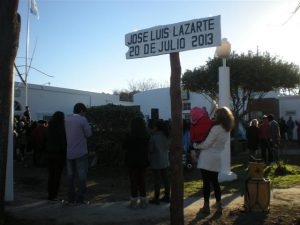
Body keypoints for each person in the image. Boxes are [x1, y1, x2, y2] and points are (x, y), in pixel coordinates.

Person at [193, 107, 235, 214]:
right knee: (215, 183)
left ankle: (206, 207)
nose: (214, 117)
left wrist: (195, 145)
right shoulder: (227, 130)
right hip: (217, 158)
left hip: (207, 158)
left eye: (216, 115)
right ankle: (219, 205)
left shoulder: (216, 128)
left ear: (219, 116)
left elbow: (207, 144)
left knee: (206, 184)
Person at [65, 103, 92, 204]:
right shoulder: (83, 120)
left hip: (69, 152)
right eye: (84, 112)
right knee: (82, 177)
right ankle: (80, 199)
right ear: (81, 111)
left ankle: (71, 198)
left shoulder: (66, 119)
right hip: (81, 152)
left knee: (70, 176)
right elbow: (88, 134)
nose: (84, 114)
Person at [123, 117, 150, 209]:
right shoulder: (146, 136)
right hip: (143, 161)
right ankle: (143, 201)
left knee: (133, 181)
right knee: (142, 181)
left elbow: (124, 146)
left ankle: (134, 202)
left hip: (132, 161)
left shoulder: (129, 136)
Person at [45, 111, 67, 202]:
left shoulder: (49, 127)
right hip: (59, 155)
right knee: (57, 176)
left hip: (49, 154)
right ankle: (54, 195)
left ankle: (50, 194)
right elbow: (63, 142)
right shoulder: (61, 128)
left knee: (51, 175)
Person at [148, 119, 170, 205]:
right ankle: (167, 196)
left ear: (156, 127)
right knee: (166, 179)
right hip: (165, 160)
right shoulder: (166, 135)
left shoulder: (153, 137)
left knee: (157, 180)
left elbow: (150, 149)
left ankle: (156, 198)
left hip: (156, 161)